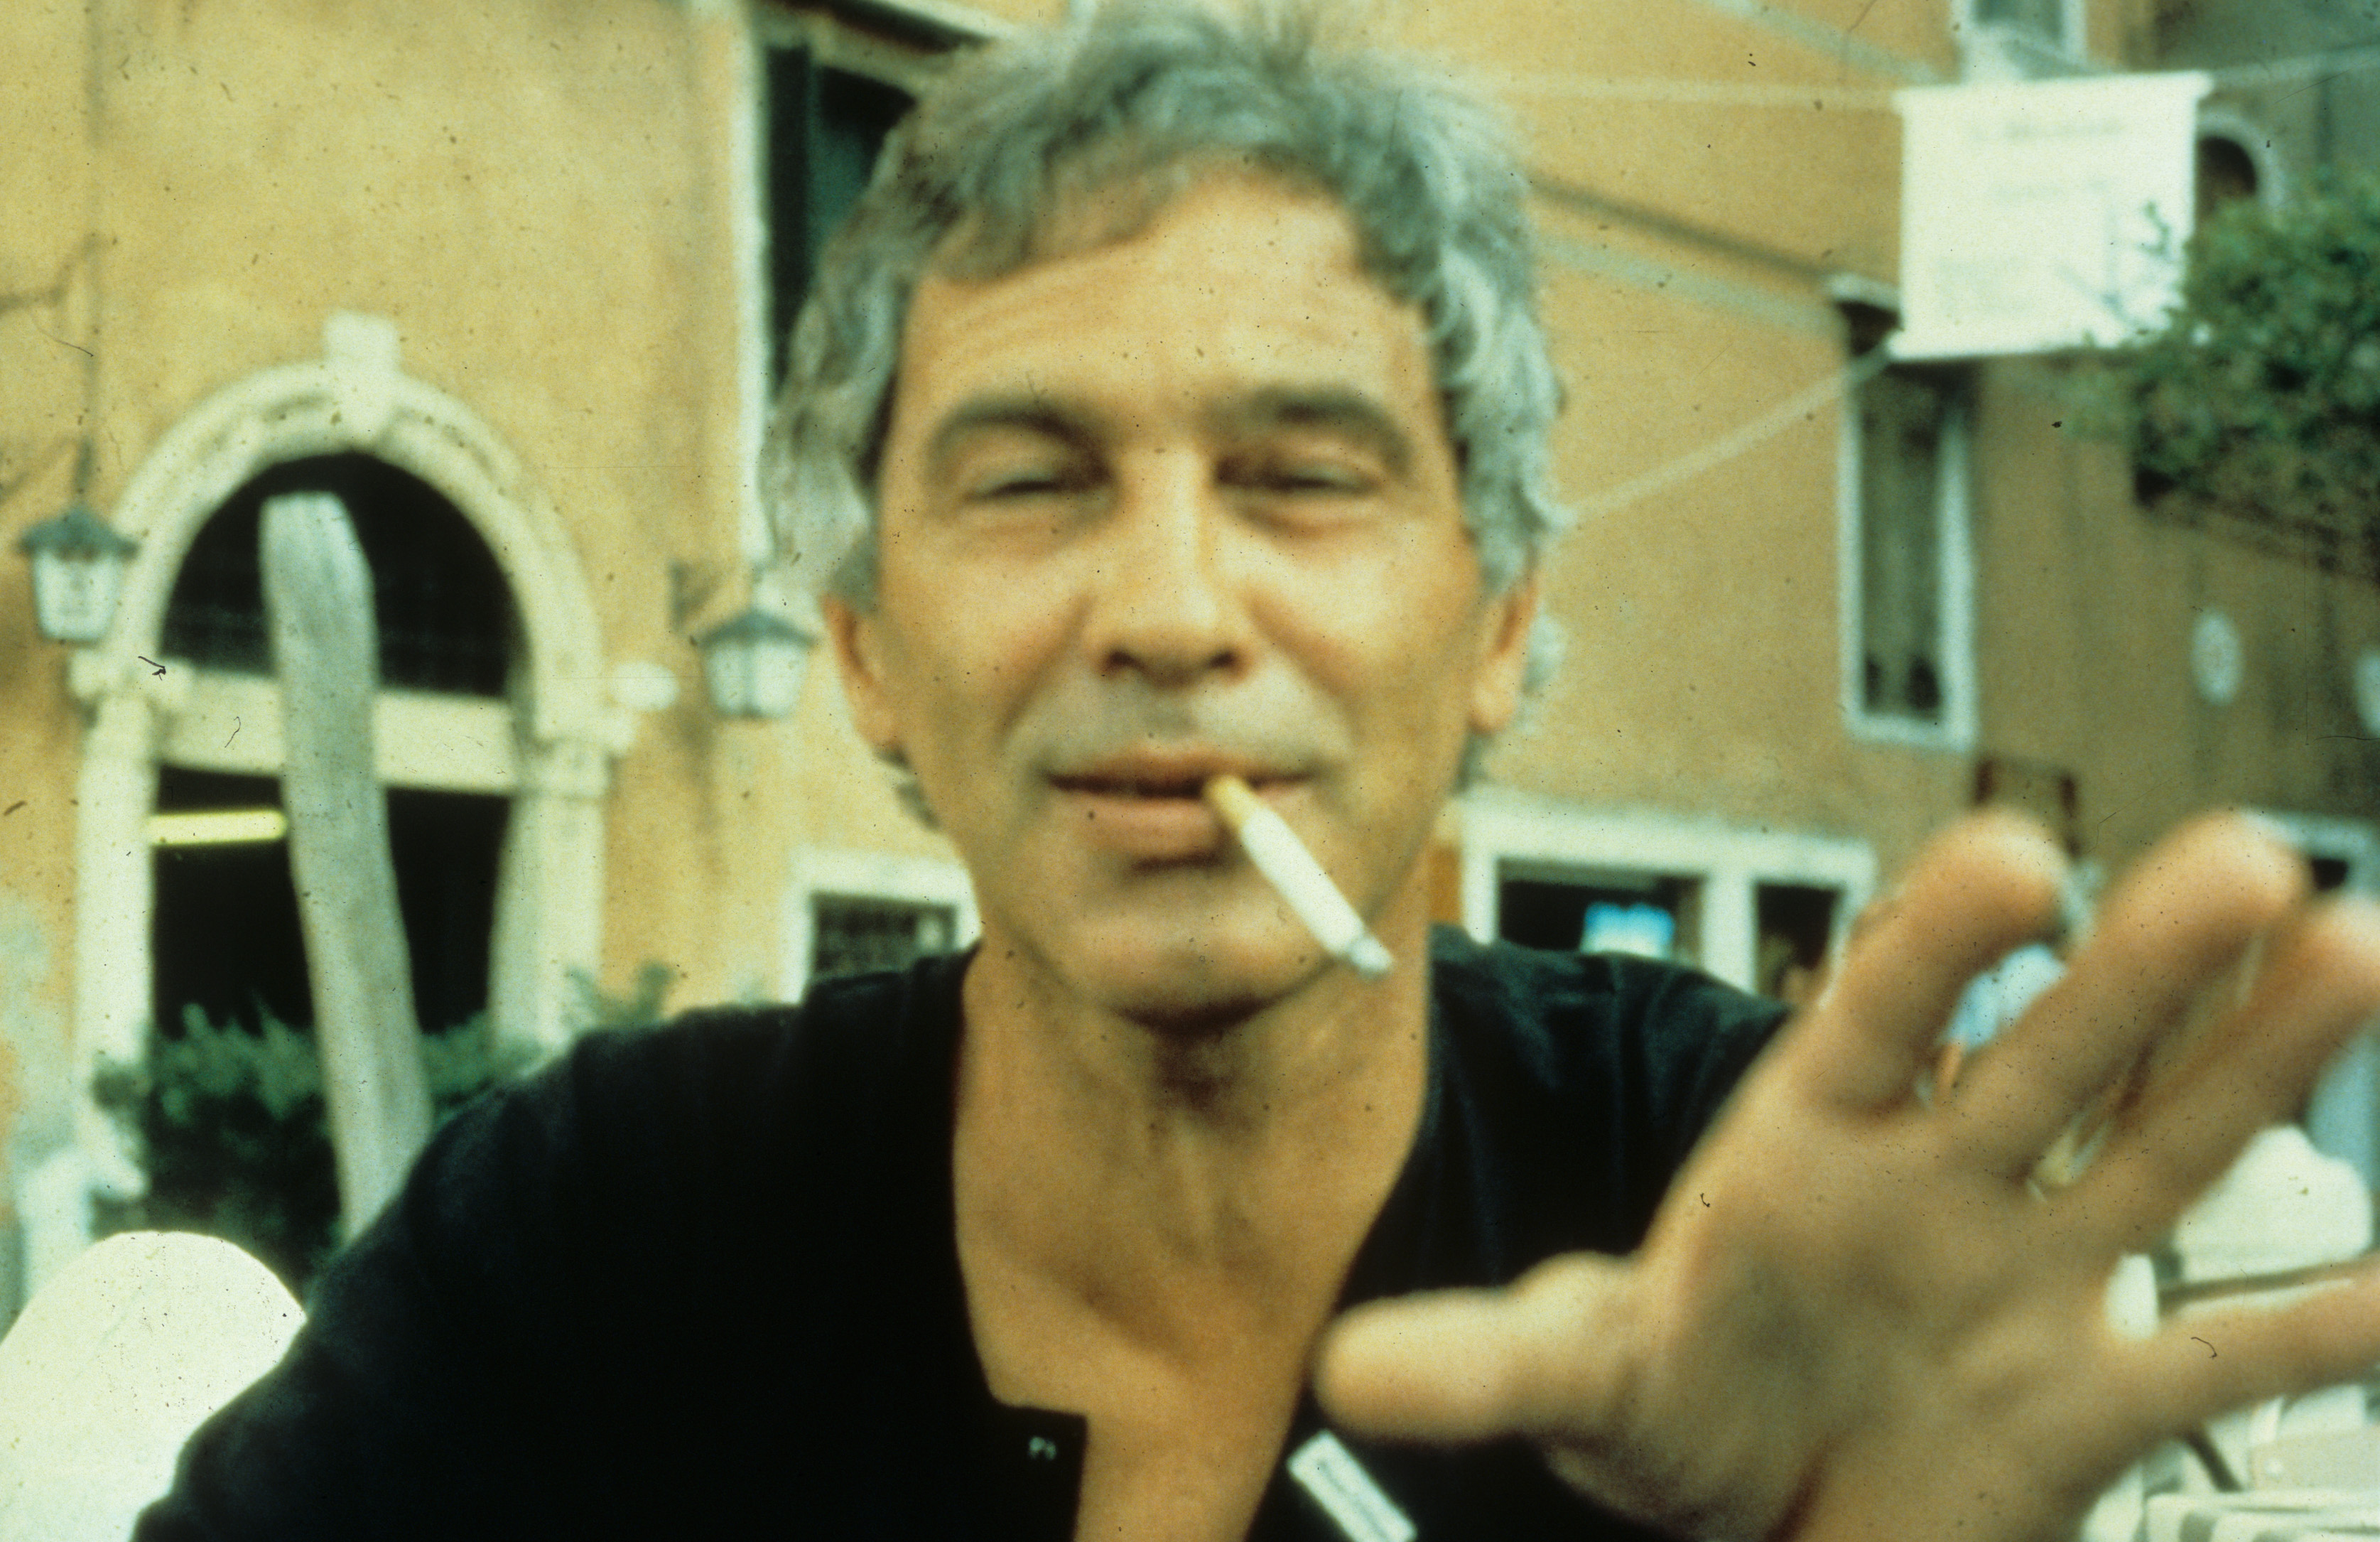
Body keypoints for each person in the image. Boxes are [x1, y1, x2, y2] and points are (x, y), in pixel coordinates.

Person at [139, 6, 2380, 1540]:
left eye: (1304, 475)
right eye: (1032, 479)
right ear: (868, 648)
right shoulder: (603, 1231)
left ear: (1496, 625)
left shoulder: (1735, 1194)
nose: (1170, 607)